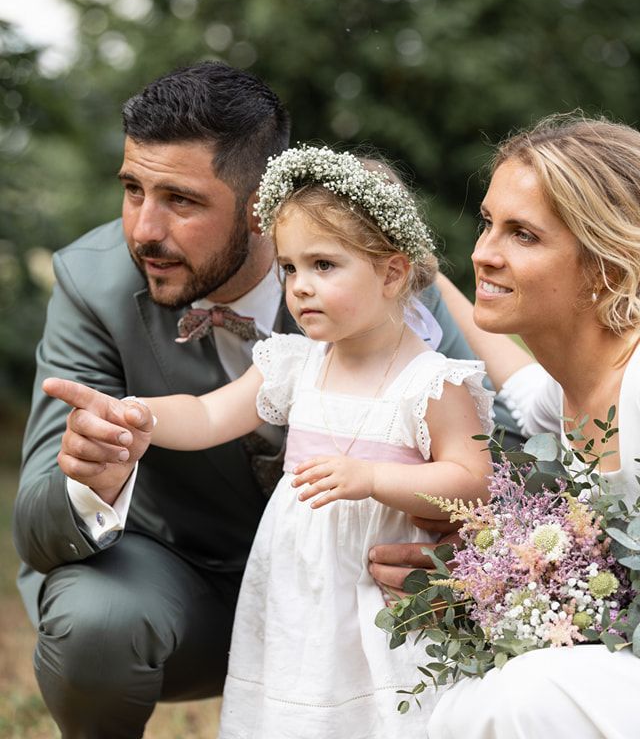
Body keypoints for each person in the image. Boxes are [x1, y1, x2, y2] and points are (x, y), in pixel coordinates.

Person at [13, 61, 511, 739]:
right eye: (133, 190)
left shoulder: (382, 287)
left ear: (261, 212)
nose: (143, 231)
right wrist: (102, 463)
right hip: (186, 587)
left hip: (366, 595)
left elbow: (502, 461)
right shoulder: (92, 284)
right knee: (96, 622)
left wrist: (464, 551)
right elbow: (44, 520)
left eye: (181, 201)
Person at [424, 114, 640, 739]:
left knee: (523, 693)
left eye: (522, 234)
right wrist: (423, 269)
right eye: (488, 222)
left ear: (605, 264)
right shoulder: (567, 391)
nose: (483, 253)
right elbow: (517, 382)